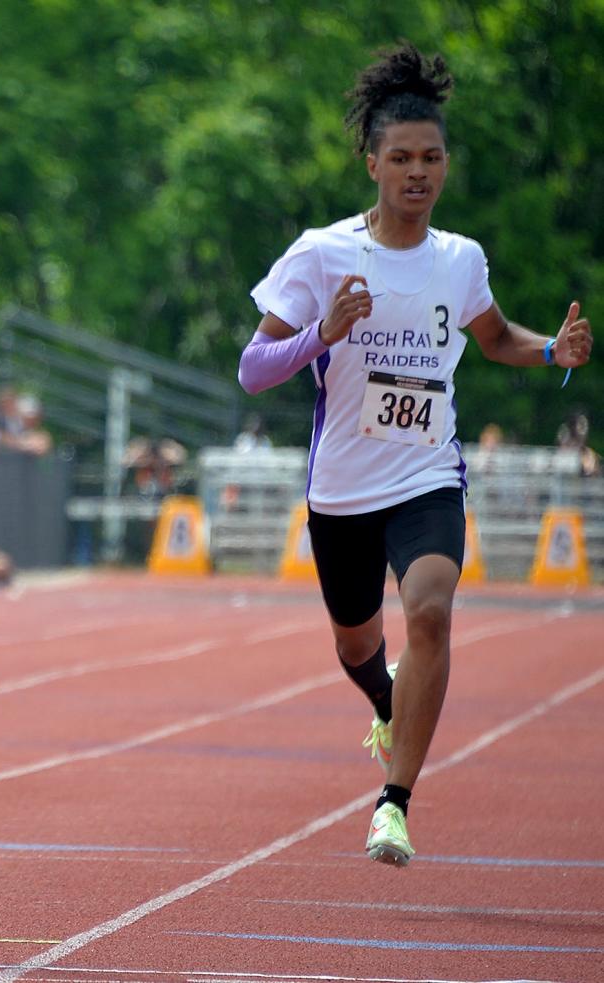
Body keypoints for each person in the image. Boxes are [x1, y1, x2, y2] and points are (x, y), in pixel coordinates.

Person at [239, 43, 592, 868]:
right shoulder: (321, 253)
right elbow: (252, 369)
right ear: (372, 165)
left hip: (428, 475)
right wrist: (322, 333)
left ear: (445, 165)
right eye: (401, 158)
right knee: (356, 645)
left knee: (430, 612)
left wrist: (553, 351)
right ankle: (386, 703)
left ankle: (392, 804)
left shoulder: (460, 260)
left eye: (431, 158)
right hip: (342, 490)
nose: (417, 173)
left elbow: (496, 336)